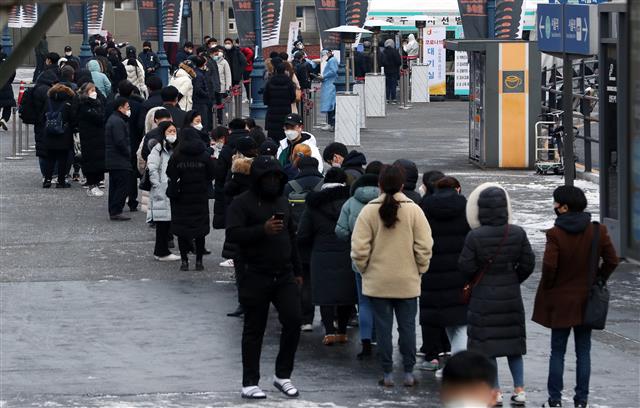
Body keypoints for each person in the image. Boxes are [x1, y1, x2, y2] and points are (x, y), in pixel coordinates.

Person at [532, 186, 619, 408]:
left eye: (555, 203)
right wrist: (599, 278)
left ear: (564, 207)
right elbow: (612, 260)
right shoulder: (597, 231)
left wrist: (550, 287)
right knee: (584, 352)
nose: (553, 206)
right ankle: (581, 400)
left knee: (557, 352)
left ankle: (555, 400)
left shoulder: (556, 234)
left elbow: (550, 266)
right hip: (586, 300)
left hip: (560, 303)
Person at [225, 156, 303, 400]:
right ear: (257, 179)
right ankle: (250, 381)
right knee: (254, 329)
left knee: (294, 320)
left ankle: (282, 375)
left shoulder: (282, 200)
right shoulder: (241, 203)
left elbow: (292, 236)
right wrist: (263, 230)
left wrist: (298, 270)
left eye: (276, 178)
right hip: (254, 273)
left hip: (284, 273)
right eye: (267, 178)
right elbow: (233, 234)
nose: (272, 182)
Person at [351, 164, 433, 387]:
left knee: (384, 329)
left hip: (377, 281)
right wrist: (420, 268)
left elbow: (359, 249)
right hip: (407, 281)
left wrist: (365, 269)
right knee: (407, 328)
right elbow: (425, 245)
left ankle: (387, 373)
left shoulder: (369, 210)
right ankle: (408, 372)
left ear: (379, 184)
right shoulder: (414, 210)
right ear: (402, 185)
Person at [458, 182, 536, 406]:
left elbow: (465, 266)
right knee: (513, 347)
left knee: (488, 347)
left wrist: (477, 279)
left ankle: (496, 391)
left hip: (483, 297)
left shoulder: (475, 236)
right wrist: (513, 278)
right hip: (510, 295)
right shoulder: (517, 233)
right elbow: (528, 263)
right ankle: (520, 389)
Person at [297, 168, 355, 346]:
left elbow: (303, 233)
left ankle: (329, 331)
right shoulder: (350, 202)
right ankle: (343, 330)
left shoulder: (314, 204)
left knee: (325, 293)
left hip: (321, 253)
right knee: (346, 292)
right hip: (347, 252)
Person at [419, 176, 470, 374]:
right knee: (458, 318)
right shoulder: (466, 208)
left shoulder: (425, 208)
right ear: (457, 189)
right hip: (459, 270)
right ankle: (457, 359)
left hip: (431, 269)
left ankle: (431, 356)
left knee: (431, 313)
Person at [335, 162, 383, 358]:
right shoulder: (386, 201)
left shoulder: (351, 203)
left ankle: (365, 342)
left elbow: (340, 231)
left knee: (364, 302)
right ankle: (379, 337)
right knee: (382, 302)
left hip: (359, 259)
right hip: (382, 259)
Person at [283, 155, 324, 331]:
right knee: (325, 278)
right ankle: (331, 319)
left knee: (303, 279)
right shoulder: (324, 186)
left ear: (298, 168)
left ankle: (305, 318)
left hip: (298, 239)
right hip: (322, 239)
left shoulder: (290, 186)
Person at [166, 127, 215, 271]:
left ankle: (184, 261)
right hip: (200, 196)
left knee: (182, 231)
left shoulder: (177, 155)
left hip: (182, 197)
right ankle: (199, 261)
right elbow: (211, 173)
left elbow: (170, 173)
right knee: (199, 230)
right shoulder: (204, 155)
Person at [223, 136, 259, 317]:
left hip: (240, 226)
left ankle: (243, 303)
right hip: (257, 225)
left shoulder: (236, 174)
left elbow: (226, 192)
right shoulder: (260, 171)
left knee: (241, 266)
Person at [147, 121, 181, 262]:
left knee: (167, 221)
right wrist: (158, 185)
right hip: (162, 189)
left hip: (172, 188)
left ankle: (162, 250)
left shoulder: (176, 147)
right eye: (169, 131)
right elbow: (152, 168)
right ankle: (161, 251)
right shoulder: (159, 148)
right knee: (162, 223)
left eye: (174, 131)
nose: (172, 134)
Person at [41, 82, 75, 188]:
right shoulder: (68, 103)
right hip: (64, 134)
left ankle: (47, 180)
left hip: (49, 133)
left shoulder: (48, 101)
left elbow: (42, 117)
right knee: (63, 159)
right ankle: (61, 181)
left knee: (49, 158)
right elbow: (72, 118)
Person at [74, 83, 106, 196]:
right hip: (88, 136)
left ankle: (96, 182)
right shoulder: (84, 104)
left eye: (94, 90)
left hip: (97, 136)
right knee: (90, 160)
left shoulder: (98, 102)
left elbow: (102, 116)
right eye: (91, 90)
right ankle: (92, 183)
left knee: (97, 160)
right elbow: (96, 117)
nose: (94, 92)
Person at [105, 97, 134, 221]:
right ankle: (116, 210)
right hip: (119, 158)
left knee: (115, 185)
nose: (129, 110)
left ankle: (114, 210)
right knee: (122, 185)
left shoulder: (114, 119)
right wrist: (128, 153)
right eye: (127, 107)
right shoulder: (118, 121)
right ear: (120, 108)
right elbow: (120, 141)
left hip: (114, 158)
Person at [263, 64, 296, 142]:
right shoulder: (289, 82)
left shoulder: (270, 81)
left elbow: (265, 97)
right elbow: (293, 97)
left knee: (272, 136)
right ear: (284, 71)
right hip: (285, 110)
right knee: (284, 134)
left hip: (272, 111)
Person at [190, 56, 211, 133]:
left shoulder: (195, 72)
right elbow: (198, 89)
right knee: (202, 122)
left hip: (198, 101)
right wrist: (206, 94)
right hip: (200, 102)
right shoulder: (199, 75)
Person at [319, 49, 338, 131]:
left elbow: (333, 71)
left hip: (330, 85)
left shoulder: (332, 60)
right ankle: (330, 123)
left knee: (331, 105)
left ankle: (331, 123)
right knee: (330, 105)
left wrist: (324, 76)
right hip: (329, 84)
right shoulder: (332, 60)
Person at [213, 46, 232, 125]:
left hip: (221, 87)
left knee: (221, 105)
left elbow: (228, 75)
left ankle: (222, 120)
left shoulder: (224, 62)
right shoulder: (210, 61)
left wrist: (228, 88)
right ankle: (215, 120)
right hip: (213, 87)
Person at [381, 39, 401, 104]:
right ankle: (393, 98)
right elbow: (399, 61)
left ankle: (387, 98)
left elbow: (382, 62)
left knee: (387, 85)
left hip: (386, 70)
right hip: (394, 70)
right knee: (393, 85)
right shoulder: (395, 51)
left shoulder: (384, 52)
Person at [0, 49, 16, 131]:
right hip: (6, 85)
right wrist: (9, 81)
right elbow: (13, 72)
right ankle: (4, 119)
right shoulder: (7, 60)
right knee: (7, 105)